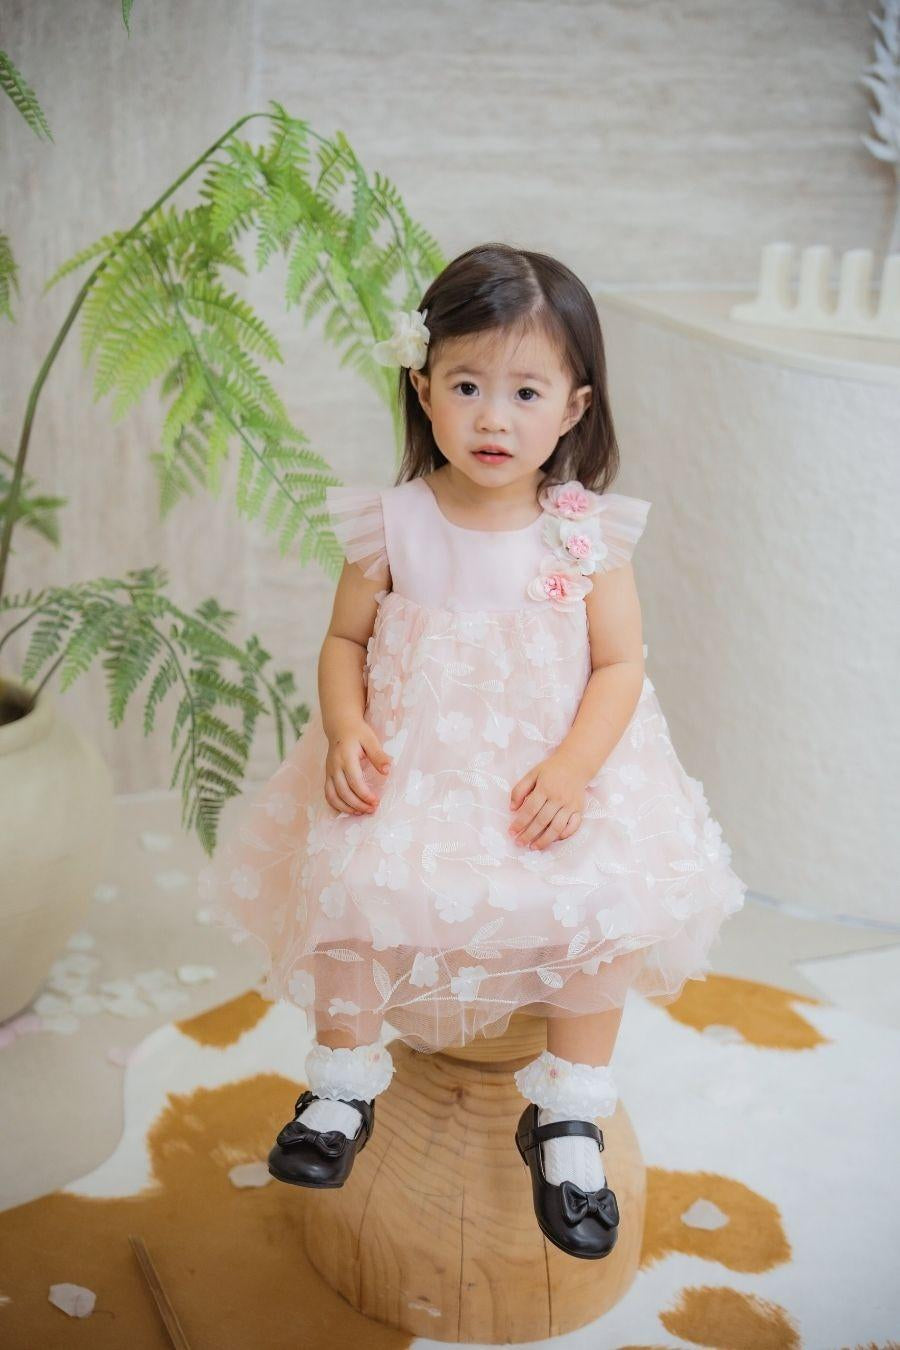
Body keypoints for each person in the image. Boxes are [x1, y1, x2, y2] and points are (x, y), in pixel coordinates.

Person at [198, 241, 748, 1259]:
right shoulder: (393, 523)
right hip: (415, 771)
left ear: (574, 408)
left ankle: (569, 1113)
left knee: (606, 904)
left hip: (549, 779)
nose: (494, 418)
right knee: (355, 880)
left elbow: (620, 665)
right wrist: (349, 728)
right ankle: (341, 1087)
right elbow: (344, 641)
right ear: (422, 388)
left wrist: (574, 768)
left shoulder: (584, 535)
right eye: (466, 386)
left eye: (525, 392)